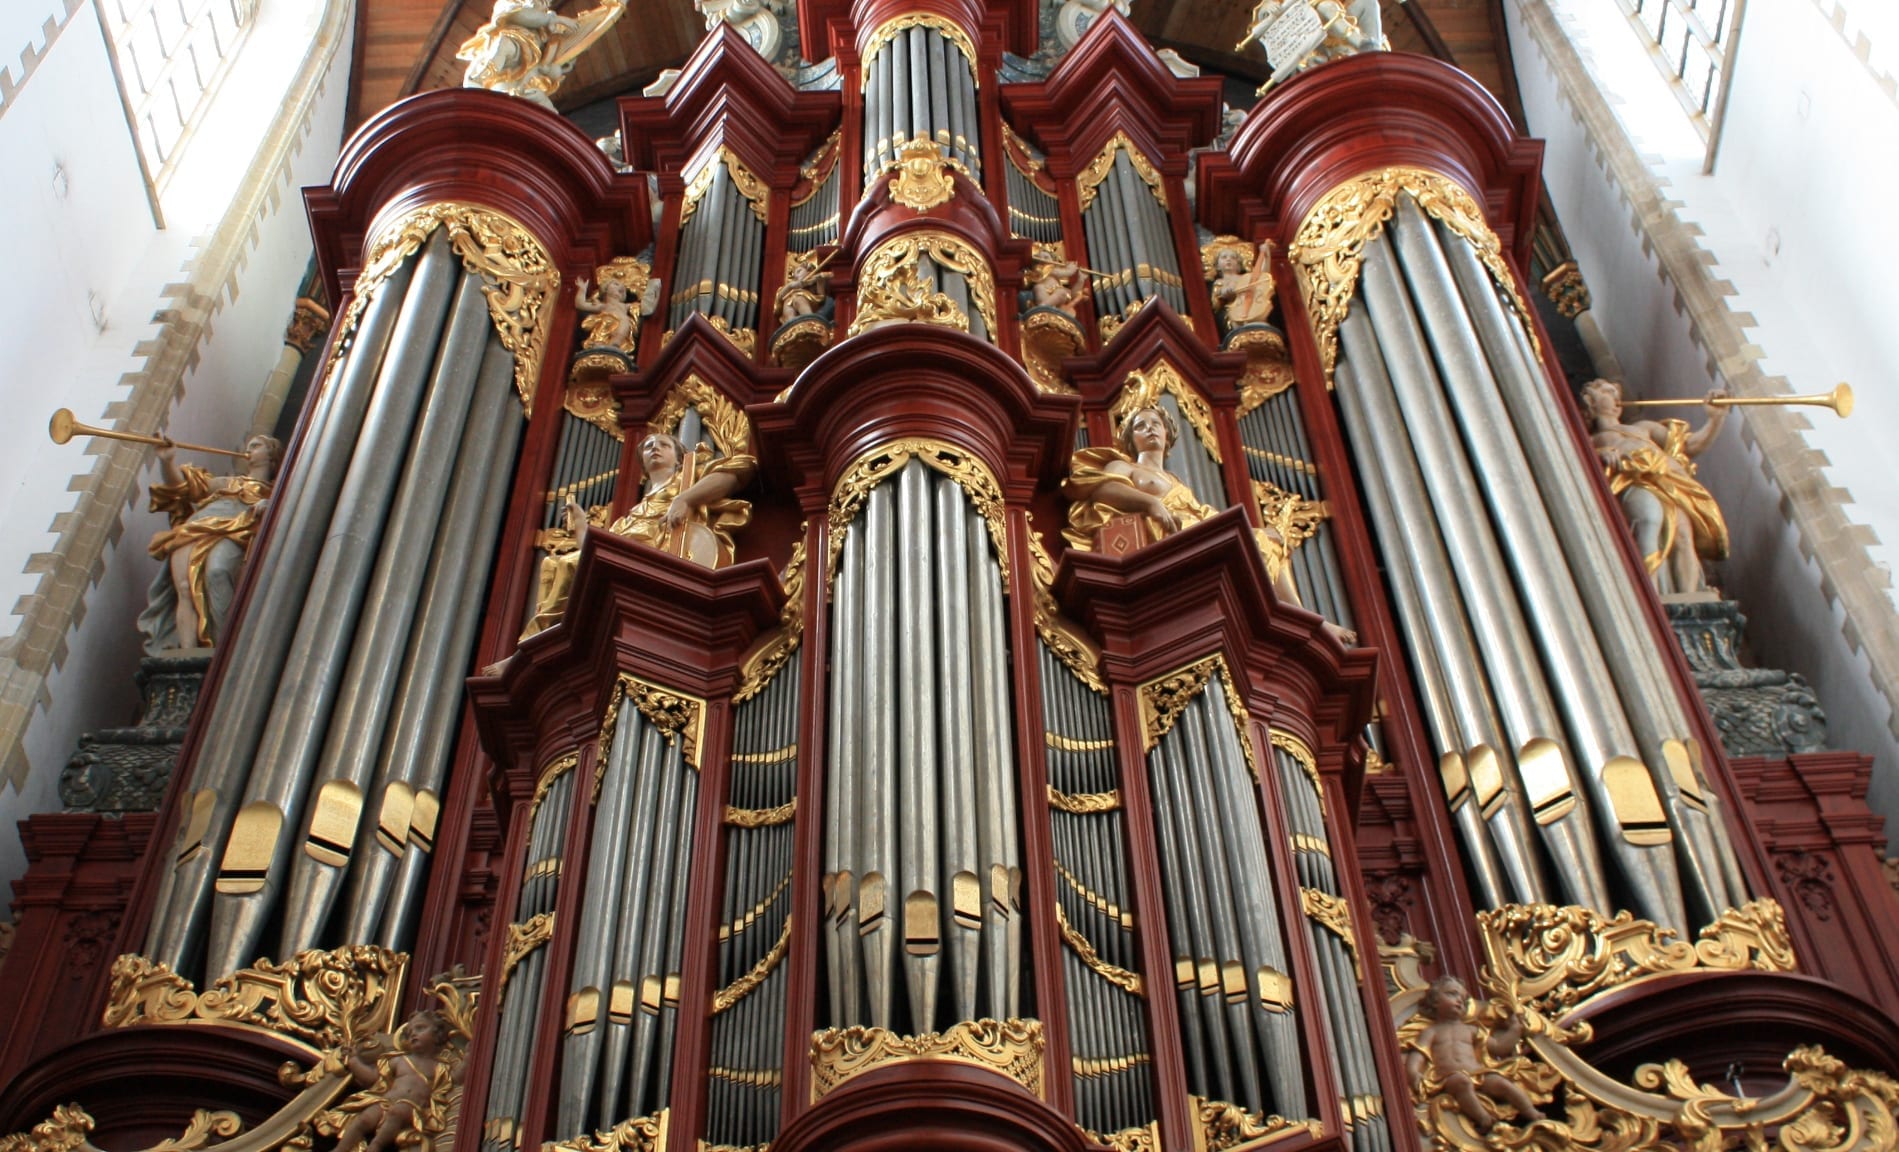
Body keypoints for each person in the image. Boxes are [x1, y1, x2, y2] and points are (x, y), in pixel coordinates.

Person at [1063, 406, 1354, 642]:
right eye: (1140, 425)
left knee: (1269, 543)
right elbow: (1102, 489)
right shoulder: (1125, 466)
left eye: (1156, 423)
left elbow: (1207, 517)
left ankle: (1303, 619)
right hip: (1165, 534)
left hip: (1190, 528)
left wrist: (1255, 533)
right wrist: (1150, 503)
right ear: (1130, 438)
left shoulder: (1177, 483)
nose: (1149, 428)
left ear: (1168, 434)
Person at [517, 431, 756, 641]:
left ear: (679, 458)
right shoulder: (632, 514)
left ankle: (536, 643)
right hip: (625, 561)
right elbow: (595, 555)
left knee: (568, 564)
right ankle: (543, 637)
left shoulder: (685, 482)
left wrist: (685, 498)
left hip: (656, 556)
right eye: (650, 446)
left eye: (663, 444)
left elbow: (740, 468)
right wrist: (581, 526)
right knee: (551, 563)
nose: (655, 448)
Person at [1579, 378, 1730, 596]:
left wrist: (1717, 418)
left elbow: (1691, 445)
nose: (1616, 400)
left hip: (1667, 483)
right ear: (1590, 401)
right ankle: (1649, 592)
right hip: (1633, 482)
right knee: (1649, 520)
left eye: (1617, 395)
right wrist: (1599, 455)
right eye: (1608, 393)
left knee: (1683, 536)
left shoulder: (1643, 428)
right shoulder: (1588, 439)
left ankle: (1689, 599)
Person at [138, 433, 280, 654]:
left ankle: (225, 646)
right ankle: (187, 652)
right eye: (249, 445)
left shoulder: (275, 492)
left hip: (234, 530)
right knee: (184, 589)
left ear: (271, 454)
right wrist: (167, 461)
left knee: (218, 571)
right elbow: (183, 486)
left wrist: (268, 503)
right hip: (194, 529)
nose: (249, 449)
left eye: (256, 445)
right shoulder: (227, 482)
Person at [1404, 977, 1545, 1132]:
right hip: (1448, 1077)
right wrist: (1414, 1073)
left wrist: (1515, 1030)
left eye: (1463, 1000)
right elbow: (1418, 1055)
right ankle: (1484, 1119)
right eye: (1452, 994)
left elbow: (1499, 1047)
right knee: (1462, 1082)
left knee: (1502, 1083)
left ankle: (1531, 1112)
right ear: (1435, 1000)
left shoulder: (1472, 1030)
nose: (1459, 1001)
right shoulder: (1431, 1032)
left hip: (1478, 1073)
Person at [328, 1009, 460, 1152]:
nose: (413, 1034)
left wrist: (470, 1058)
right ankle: (340, 1149)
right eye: (409, 1033)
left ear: (437, 1034)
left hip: (411, 1108)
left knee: (398, 1111)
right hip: (386, 1101)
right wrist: (354, 1061)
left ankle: (375, 1146)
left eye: (420, 1028)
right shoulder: (399, 1060)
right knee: (364, 1119)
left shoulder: (439, 1067)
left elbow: (455, 1079)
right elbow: (373, 1078)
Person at [1206, 240, 1277, 333]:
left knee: (1260, 318)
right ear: (1217, 266)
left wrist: (1266, 256)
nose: (1228, 259)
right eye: (1224, 257)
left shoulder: (1246, 278)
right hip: (1235, 311)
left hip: (1253, 306)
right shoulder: (1220, 282)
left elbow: (1263, 276)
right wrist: (1226, 291)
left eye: (1233, 258)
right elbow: (1218, 298)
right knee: (1237, 323)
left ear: (1239, 265)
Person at [1024, 248, 1092, 319]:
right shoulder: (1045, 270)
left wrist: (1080, 279)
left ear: (1053, 261)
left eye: (1046, 257)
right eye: (1039, 258)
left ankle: (1042, 308)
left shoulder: (1053, 268)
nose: (1043, 259)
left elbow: (1074, 295)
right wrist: (1070, 268)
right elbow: (1068, 272)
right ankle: (1044, 308)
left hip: (1057, 291)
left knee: (1062, 292)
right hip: (1046, 291)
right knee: (1038, 288)